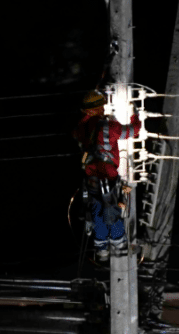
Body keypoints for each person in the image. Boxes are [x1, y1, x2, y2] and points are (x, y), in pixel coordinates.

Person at [72, 89, 141, 261]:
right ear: (99, 107)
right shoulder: (109, 126)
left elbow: (77, 133)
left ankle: (101, 246)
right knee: (110, 207)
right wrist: (135, 115)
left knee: (96, 209)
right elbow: (134, 131)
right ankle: (118, 241)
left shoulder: (81, 128)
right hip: (107, 175)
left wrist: (87, 117)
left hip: (90, 177)